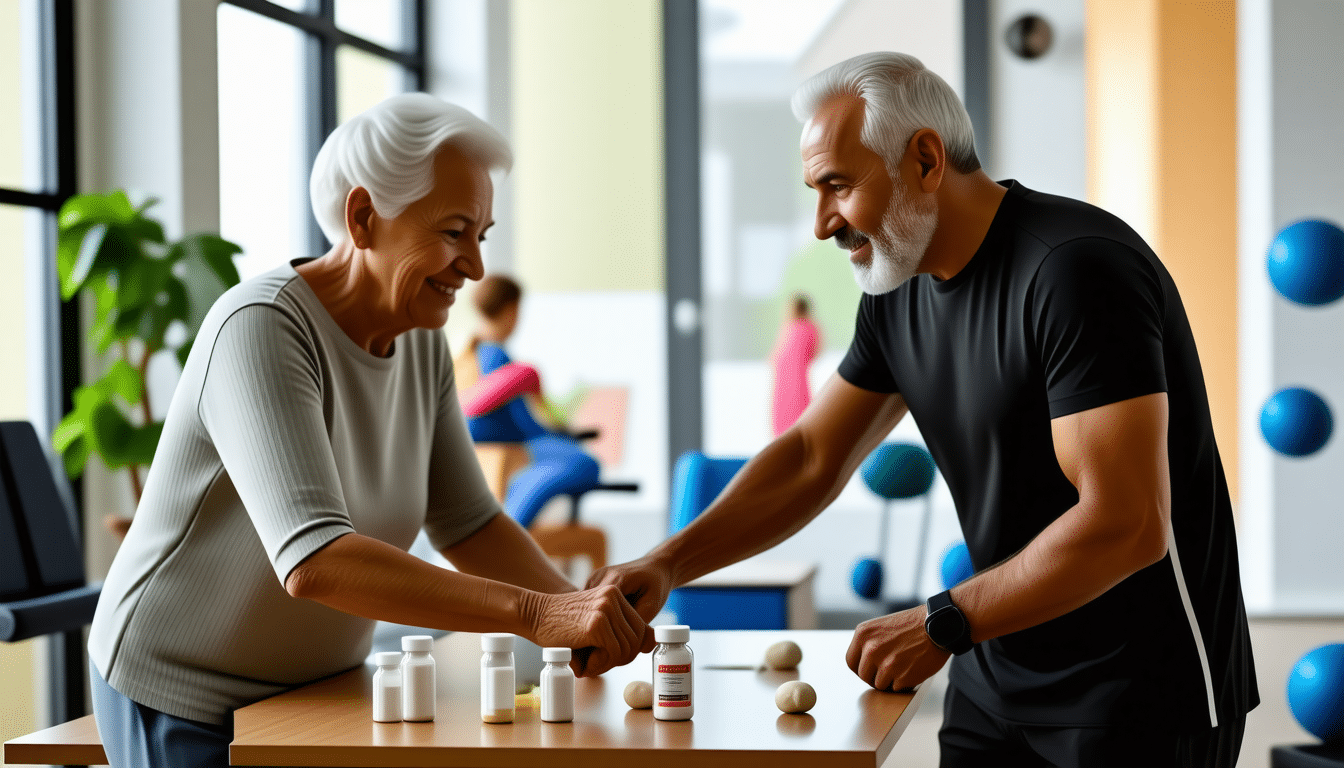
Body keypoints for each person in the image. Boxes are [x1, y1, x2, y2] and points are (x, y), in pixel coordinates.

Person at [588, 52, 1257, 767]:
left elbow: (1127, 523)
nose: (821, 224)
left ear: (926, 160)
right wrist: (666, 563)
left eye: (838, 186)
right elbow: (815, 456)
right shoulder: (895, 288)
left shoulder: (1074, 270)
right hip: (993, 673)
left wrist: (944, 620)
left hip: (1137, 694)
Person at [87, 93, 650, 768]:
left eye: (482, 235)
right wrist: (535, 615)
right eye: (452, 231)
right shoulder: (262, 326)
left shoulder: (419, 344)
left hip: (318, 691)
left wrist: (581, 613)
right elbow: (316, 560)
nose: (474, 266)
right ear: (362, 218)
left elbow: (468, 523)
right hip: (183, 692)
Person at [771, 293, 821, 436]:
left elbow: (775, 355)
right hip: (793, 378)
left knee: (791, 412)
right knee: (795, 412)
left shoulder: (791, 327)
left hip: (790, 378)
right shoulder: (805, 327)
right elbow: (815, 351)